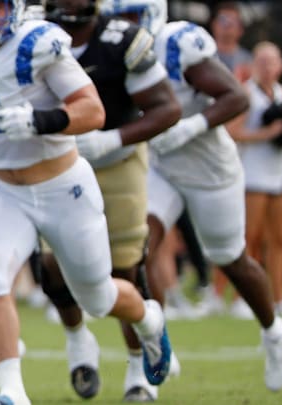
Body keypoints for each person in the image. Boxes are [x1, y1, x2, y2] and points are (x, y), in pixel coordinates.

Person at [0, 1, 173, 403]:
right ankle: (11, 391)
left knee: (97, 297)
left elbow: (92, 110)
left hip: (63, 186)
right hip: (2, 188)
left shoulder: (37, 45)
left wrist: (41, 120)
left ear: (16, 9)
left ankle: (149, 319)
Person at [100, 0, 282, 392]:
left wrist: (188, 127)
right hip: (158, 164)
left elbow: (235, 97)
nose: (125, 26)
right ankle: (147, 360)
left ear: (154, 15)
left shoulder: (178, 44)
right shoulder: (106, 47)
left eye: (134, 17)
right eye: (118, 17)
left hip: (208, 166)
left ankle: (273, 330)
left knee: (230, 258)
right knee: (137, 249)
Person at [37, 0, 181, 400]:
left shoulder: (121, 39)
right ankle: (77, 339)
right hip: (56, 160)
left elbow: (168, 107)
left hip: (117, 159)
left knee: (124, 269)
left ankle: (137, 364)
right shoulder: (33, 34)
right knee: (50, 262)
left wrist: (113, 138)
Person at [227, 41, 282, 320]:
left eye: (272, 62)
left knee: (279, 239)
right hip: (253, 176)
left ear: (281, 66)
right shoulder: (246, 94)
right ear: (253, 66)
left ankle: (278, 298)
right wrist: (267, 134)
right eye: (262, 62)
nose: (268, 68)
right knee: (251, 239)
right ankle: (240, 299)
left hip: (279, 175)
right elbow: (232, 132)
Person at [210, 1, 251, 83]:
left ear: (241, 29)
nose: (227, 25)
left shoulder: (248, 61)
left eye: (233, 21)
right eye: (223, 20)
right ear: (213, 25)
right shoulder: (202, 56)